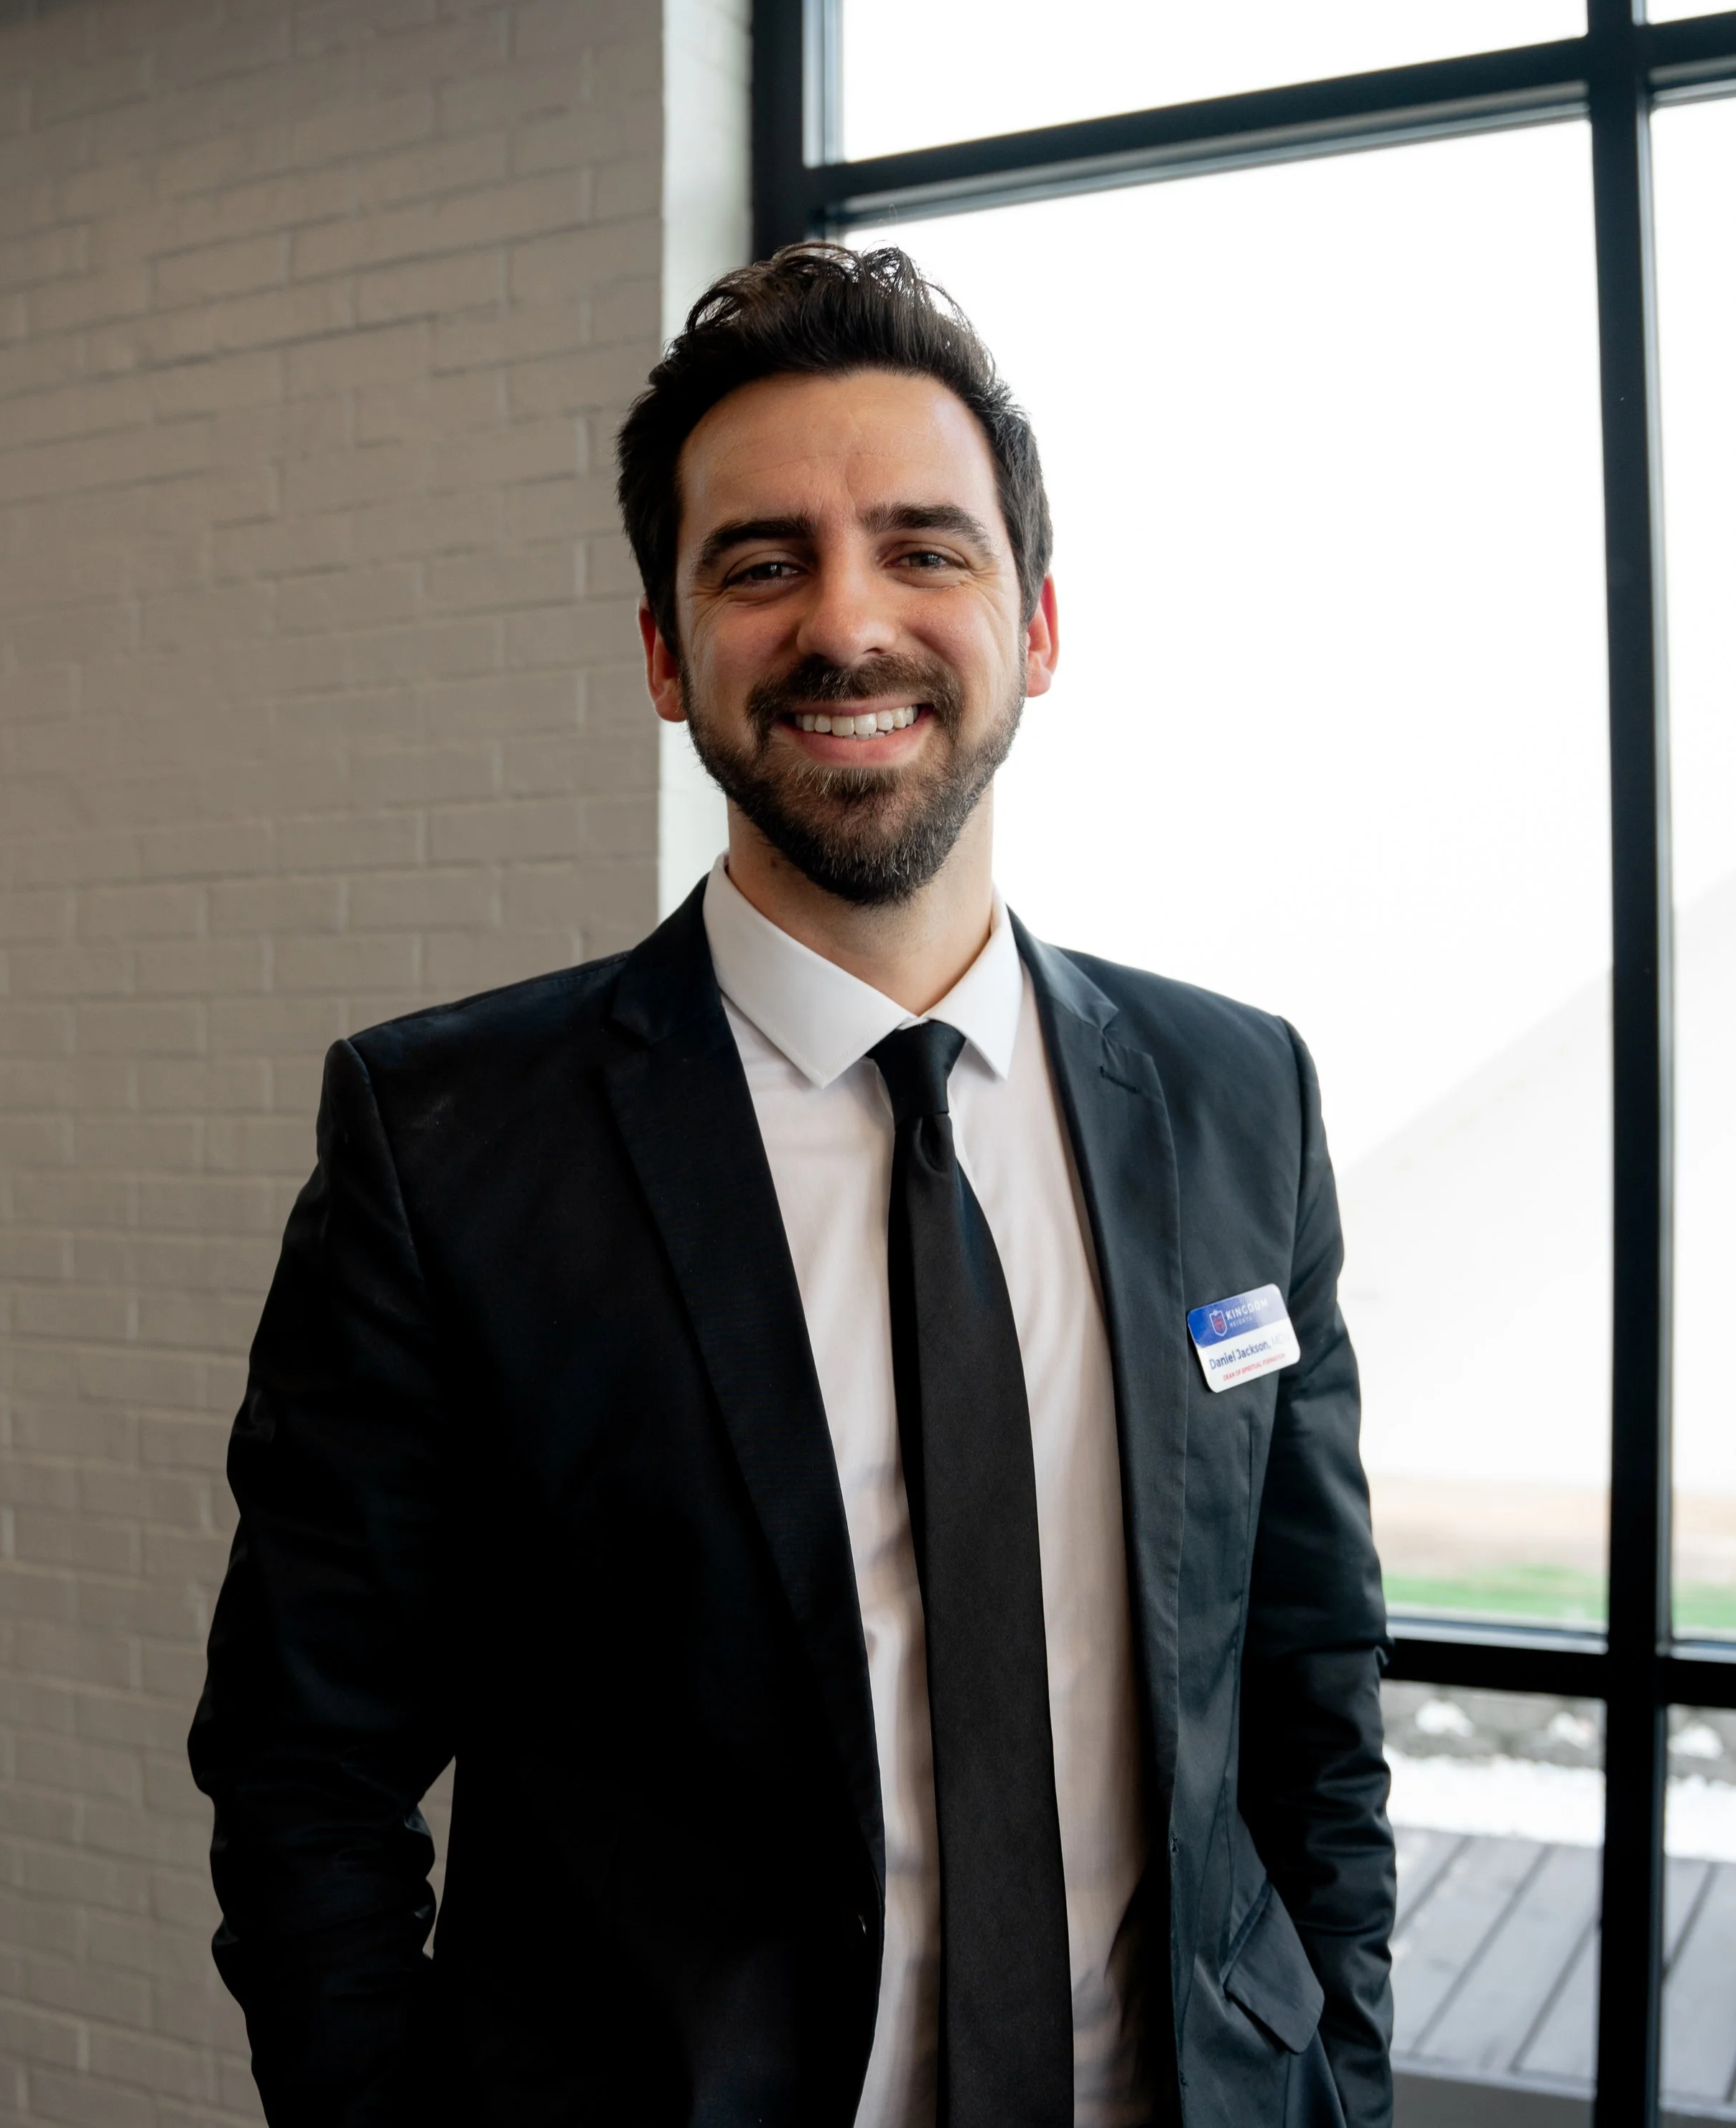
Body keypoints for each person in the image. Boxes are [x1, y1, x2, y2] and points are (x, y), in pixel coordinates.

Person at [190, 243, 1394, 2128]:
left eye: (925, 547)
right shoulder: (446, 1143)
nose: (846, 622)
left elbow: (1307, 1688)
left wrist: (1339, 2068)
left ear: (1039, 624)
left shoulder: (1239, 1094)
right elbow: (305, 1762)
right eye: (761, 563)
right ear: (666, 655)